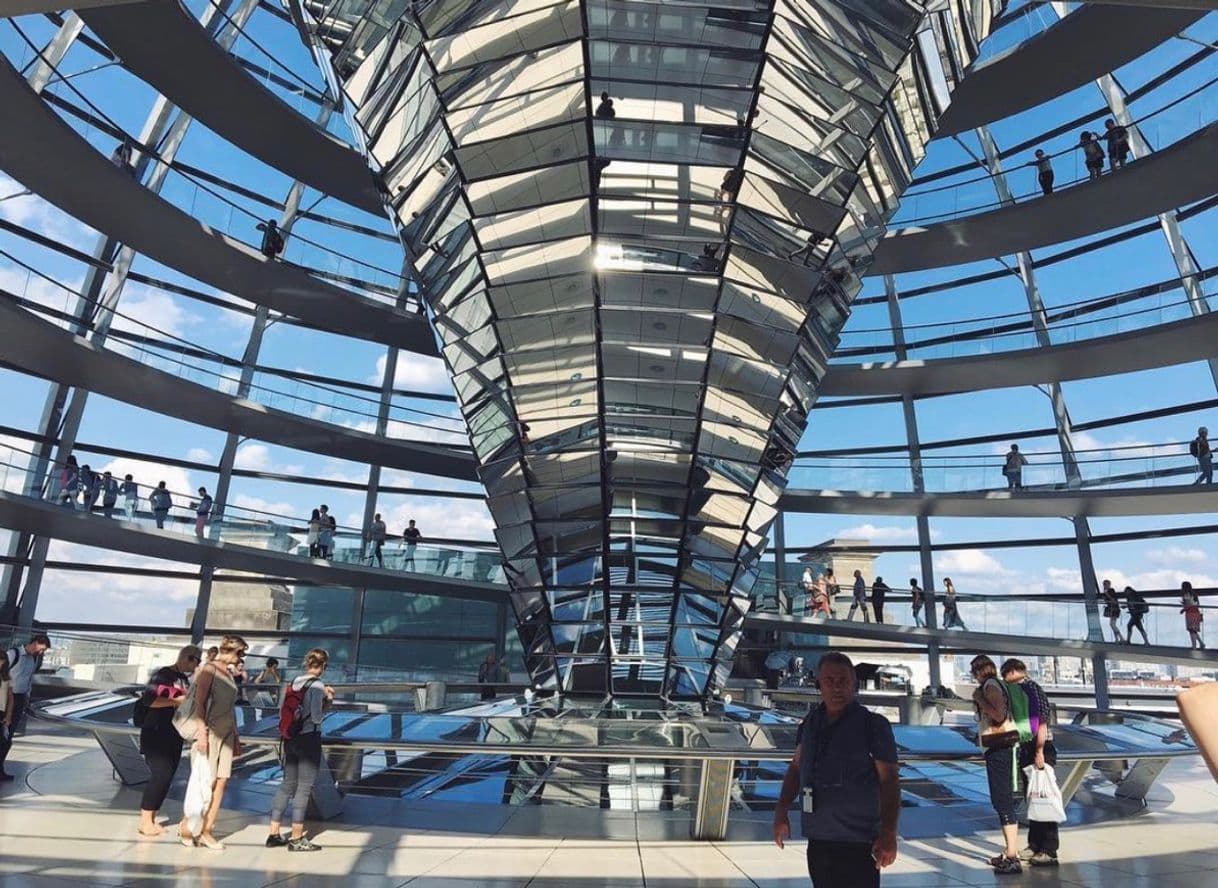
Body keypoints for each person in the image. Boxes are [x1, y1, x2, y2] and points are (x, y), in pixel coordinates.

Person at [772, 652, 900, 887]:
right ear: (819, 683)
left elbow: (889, 781)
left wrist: (889, 832)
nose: (836, 687)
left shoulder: (873, 725)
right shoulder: (810, 724)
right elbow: (796, 768)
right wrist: (782, 811)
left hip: (859, 841)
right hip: (819, 839)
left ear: (854, 684)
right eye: (829, 680)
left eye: (843, 680)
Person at [180, 634, 246, 850]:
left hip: (226, 733)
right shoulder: (209, 670)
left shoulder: (228, 674)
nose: (241, 658)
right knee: (204, 782)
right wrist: (201, 732)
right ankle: (188, 826)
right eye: (241, 653)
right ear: (232, 651)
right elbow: (199, 702)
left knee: (221, 782)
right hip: (210, 733)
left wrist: (235, 737)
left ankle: (207, 830)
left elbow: (229, 708)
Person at [267, 648, 334, 852]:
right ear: (323, 666)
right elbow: (315, 717)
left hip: (290, 738)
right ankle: (296, 838)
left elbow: (282, 710)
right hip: (308, 739)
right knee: (304, 788)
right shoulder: (317, 685)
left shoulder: (294, 681)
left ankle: (274, 833)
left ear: (307, 663)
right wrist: (328, 700)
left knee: (287, 784)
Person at [1000, 659, 1059, 867]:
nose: (1004, 679)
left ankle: (1049, 850)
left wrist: (1040, 750)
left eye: (1005, 674)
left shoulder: (1032, 689)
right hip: (1028, 748)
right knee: (1034, 798)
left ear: (1014, 672)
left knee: (1044, 797)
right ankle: (1034, 845)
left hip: (1040, 748)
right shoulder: (1021, 690)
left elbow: (1042, 721)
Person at [137, 644, 200, 836]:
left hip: (173, 733)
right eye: (196, 661)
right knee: (161, 774)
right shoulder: (163, 675)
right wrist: (175, 701)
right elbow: (150, 700)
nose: (197, 665)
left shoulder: (183, 679)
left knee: (167, 776)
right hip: (156, 732)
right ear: (188, 658)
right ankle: (145, 820)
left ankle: (151, 817)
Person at [969, 655, 1023, 874]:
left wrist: (979, 699)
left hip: (999, 748)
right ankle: (1010, 851)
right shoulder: (997, 684)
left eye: (974, 672)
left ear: (980, 671)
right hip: (1000, 748)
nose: (974, 677)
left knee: (1002, 800)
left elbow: (998, 715)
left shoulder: (990, 686)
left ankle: (1012, 856)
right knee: (1003, 799)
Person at [2, 633, 51, 768]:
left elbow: (29, 680)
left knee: (8, 737)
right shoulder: (13, 654)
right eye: (41, 649)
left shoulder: (33, 660)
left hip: (19, 699)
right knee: (2, 733)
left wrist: (27, 697)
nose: (41, 652)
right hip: (6, 697)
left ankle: (0, 768)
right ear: (34, 643)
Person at [0, 649, 14, 781]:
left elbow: (10, 698)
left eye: (3, 661)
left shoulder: (6, 678)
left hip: (1, 714)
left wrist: (8, 716)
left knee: (5, 743)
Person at [1181, 581, 1205, 650]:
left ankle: (1194, 646)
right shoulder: (1194, 594)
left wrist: (1183, 610)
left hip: (1190, 613)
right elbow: (1198, 604)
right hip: (1196, 612)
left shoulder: (1186, 594)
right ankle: (1201, 643)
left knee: (1191, 630)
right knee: (1194, 630)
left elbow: (1188, 605)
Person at [1101, 579, 1124, 643]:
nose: (1104, 586)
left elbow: (1113, 600)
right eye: (1104, 584)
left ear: (1109, 585)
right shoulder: (1106, 592)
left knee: (1112, 624)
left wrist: (1107, 594)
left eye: (1105, 584)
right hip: (1112, 609)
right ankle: (1117, 639)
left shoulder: (1111, 590)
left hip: (1114, 609)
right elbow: (1107, 601)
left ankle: (1121, 638)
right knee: (1112, 624)